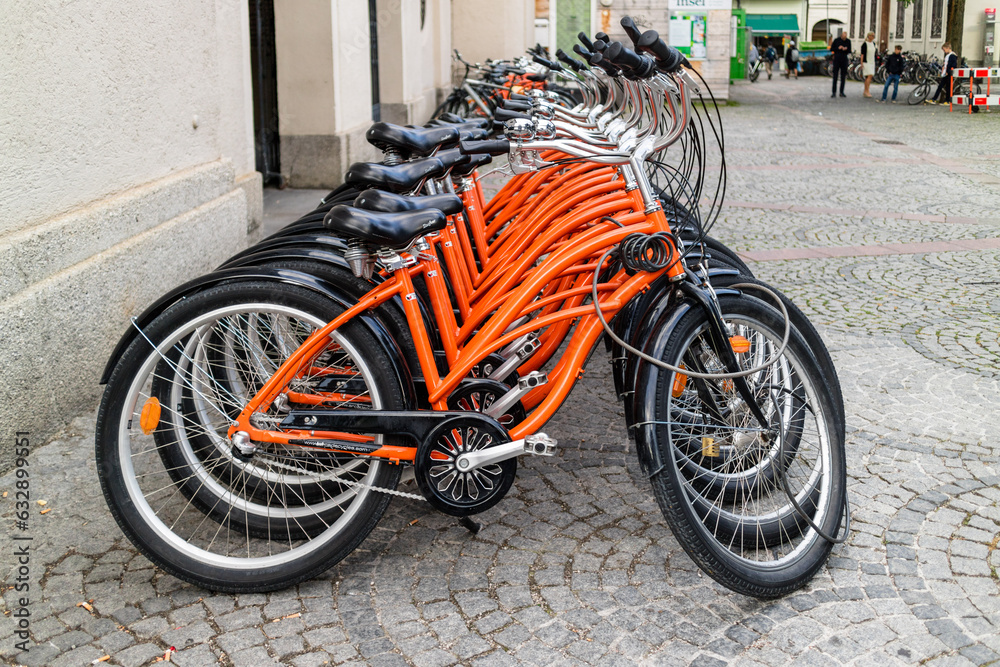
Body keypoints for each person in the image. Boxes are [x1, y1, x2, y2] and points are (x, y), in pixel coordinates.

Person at [831, 30, 851, 97]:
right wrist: (838, 48)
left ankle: (841, 92)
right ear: (841, 36)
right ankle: (834, 92)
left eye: (845, 37)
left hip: (844, 59)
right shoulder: (836, 40)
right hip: (837, 59)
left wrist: (846, 49)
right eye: (843, 37)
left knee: (843, 76)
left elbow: (849, 50)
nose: (844, 38)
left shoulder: (848, 41)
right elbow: (832, 49)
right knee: (835, 76)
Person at [861, 32, 877, 97]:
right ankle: (867, 91)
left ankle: (866, 91)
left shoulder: (873, 44)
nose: (873, 37)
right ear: (869, 36)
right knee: (869, 75)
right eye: (872, 36)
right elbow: (862, 54)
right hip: (866, 62)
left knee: (870, 77)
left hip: (872, 61)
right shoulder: (865, 44)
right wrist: (861, 63)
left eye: (874, 36)